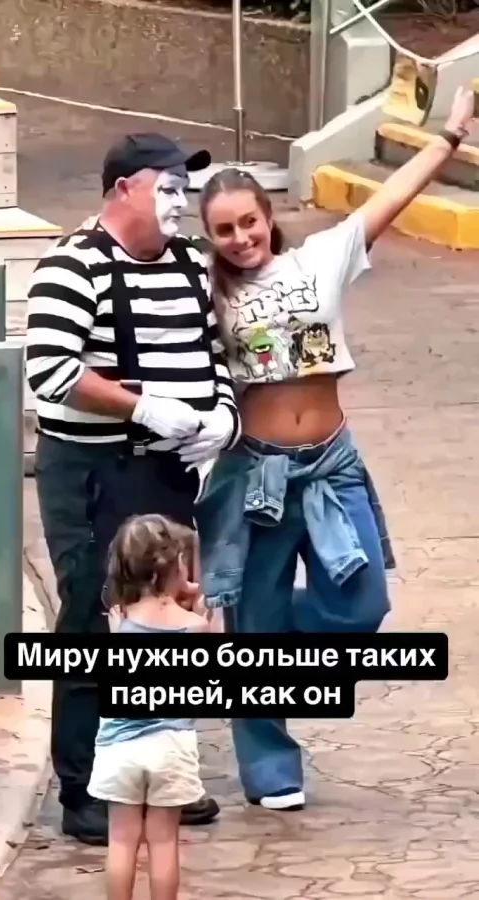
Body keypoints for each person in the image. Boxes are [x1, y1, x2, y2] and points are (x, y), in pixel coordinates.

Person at [191, 86, 475, 810]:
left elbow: (395, 196)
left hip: (330, 464)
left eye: (248, 221)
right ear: (209, 235)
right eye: (223, 229)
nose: (240, 238)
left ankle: (262, 636)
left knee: (360, 606)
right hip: (255, 475)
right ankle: (271, 767)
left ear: (268, 216)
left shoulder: (322, 258)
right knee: (252, 630)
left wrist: (449, 135)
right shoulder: (205, 291)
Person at [25, 132, 241, 845]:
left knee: (168, 616)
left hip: (168, 471)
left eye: (186, 188)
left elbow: (214, 354)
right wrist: (141, 406)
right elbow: (50, 371)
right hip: (93, 471)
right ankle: (86, 789)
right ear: (124, 189)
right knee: (96, 617)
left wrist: (223, 417)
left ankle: (162, 778)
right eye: (167, 187)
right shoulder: (73, 264)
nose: (181, 201)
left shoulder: (191, 264)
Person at [88, 513, 209, 900]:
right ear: (178, 565)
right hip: (171, 745)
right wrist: (198, 608)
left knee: (121, 842)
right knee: (164, 842)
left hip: (119, 748)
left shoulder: (120, 620)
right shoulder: (194, 627)